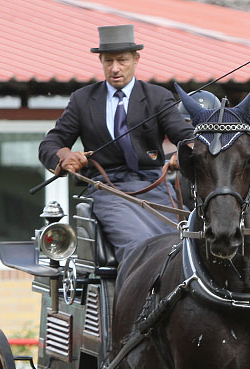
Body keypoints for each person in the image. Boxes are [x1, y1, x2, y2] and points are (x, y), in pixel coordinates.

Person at [38, 24, 193, 263]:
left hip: (155, 186)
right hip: (108, 191)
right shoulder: (82, 100)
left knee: (180, 247)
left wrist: (187, 152)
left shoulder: (158, 97)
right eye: (108, 61)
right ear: (100, 61)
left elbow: (185, 135)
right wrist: (65, 156)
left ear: (136, 58)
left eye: (122, 60)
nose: (115, 68)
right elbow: (52, 142)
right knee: (139, 245)